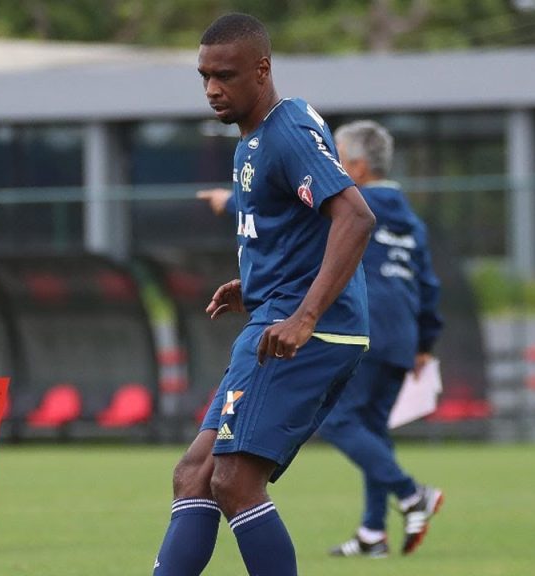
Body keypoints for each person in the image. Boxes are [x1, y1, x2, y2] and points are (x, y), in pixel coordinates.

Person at [152, 13, 376, 576]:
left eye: (224, 75)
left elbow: (354, 216)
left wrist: (302, 315)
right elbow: (297, 231)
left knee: (232, 481)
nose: (211, 89)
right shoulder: (253, 140)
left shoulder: (286, 133)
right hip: (272, 318)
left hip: (305, 331)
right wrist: (255, 287)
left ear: (262, 68)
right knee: (195, 475)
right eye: (204, 76)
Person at [318, 120, 444, 558]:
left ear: (355, 166)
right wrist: (426, 343)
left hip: (366, 329)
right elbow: (427, 284)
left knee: (334, 420)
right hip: (403, 336)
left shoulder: (351, 207)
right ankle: (373, 533)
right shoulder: (410, 219)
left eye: (336, 154)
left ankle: (413, 495)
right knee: (371, 429)